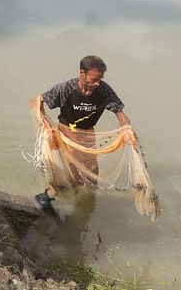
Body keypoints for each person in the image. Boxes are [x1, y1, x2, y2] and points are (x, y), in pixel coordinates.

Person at [29, 55, 137, 213]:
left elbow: (119, 112)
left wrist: (127, 129)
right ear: (82, 74)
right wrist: (43, 118)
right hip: (66, 132)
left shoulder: (103, 90)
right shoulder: (65, 89)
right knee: (73, 173)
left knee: (92, 175)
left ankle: (85, 206)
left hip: (88, 134)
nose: (97, 83)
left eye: (99, 79)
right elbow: (36, 101)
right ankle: (47, 198)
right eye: (93, 79)